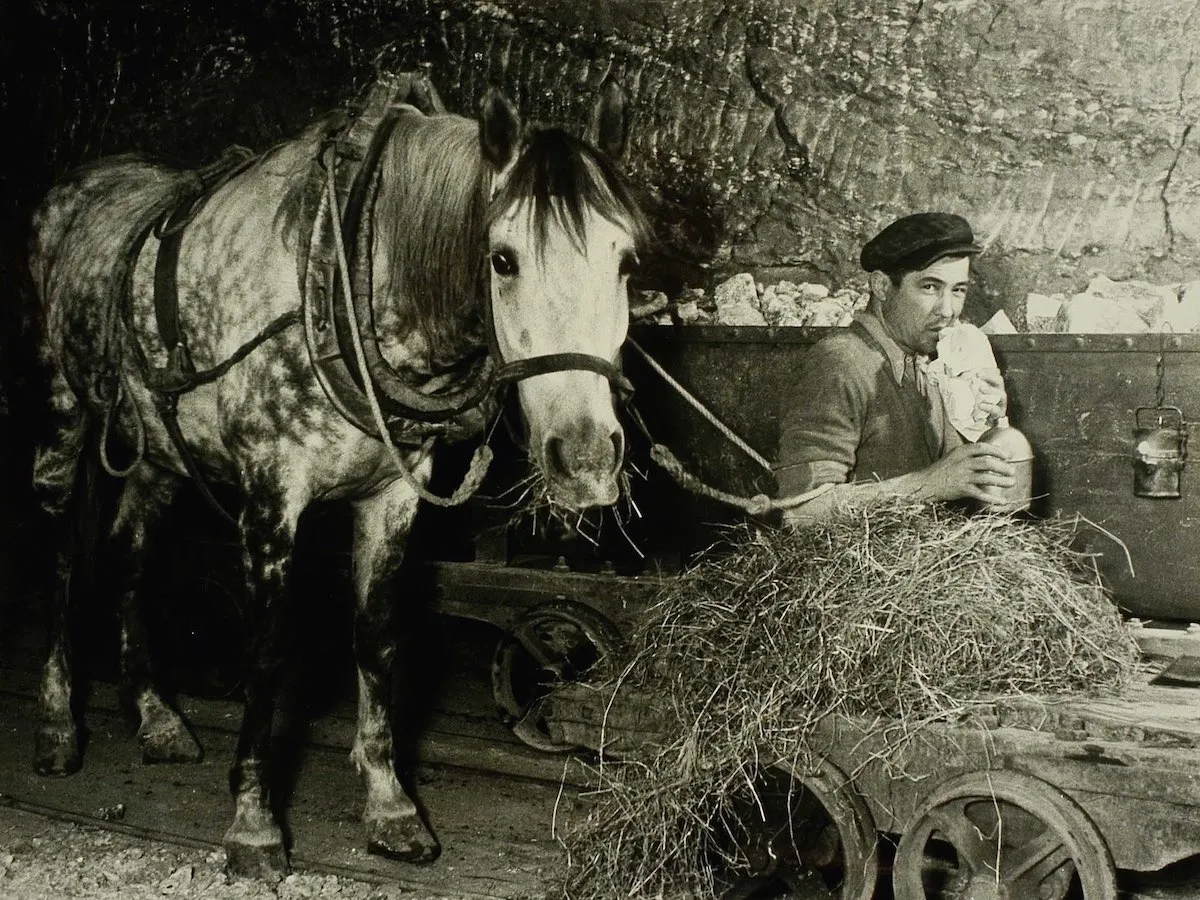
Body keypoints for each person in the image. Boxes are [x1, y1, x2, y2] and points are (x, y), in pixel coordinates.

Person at [773, 212, 1016, 525]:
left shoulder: (925, 363)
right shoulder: (842, 362)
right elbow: (801, 512)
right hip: (859, 570)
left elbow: (958, 480)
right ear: (882, 286)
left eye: (958, 290)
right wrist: (931, 484)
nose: (948, 310)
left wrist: (990, 423)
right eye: (930, 287)